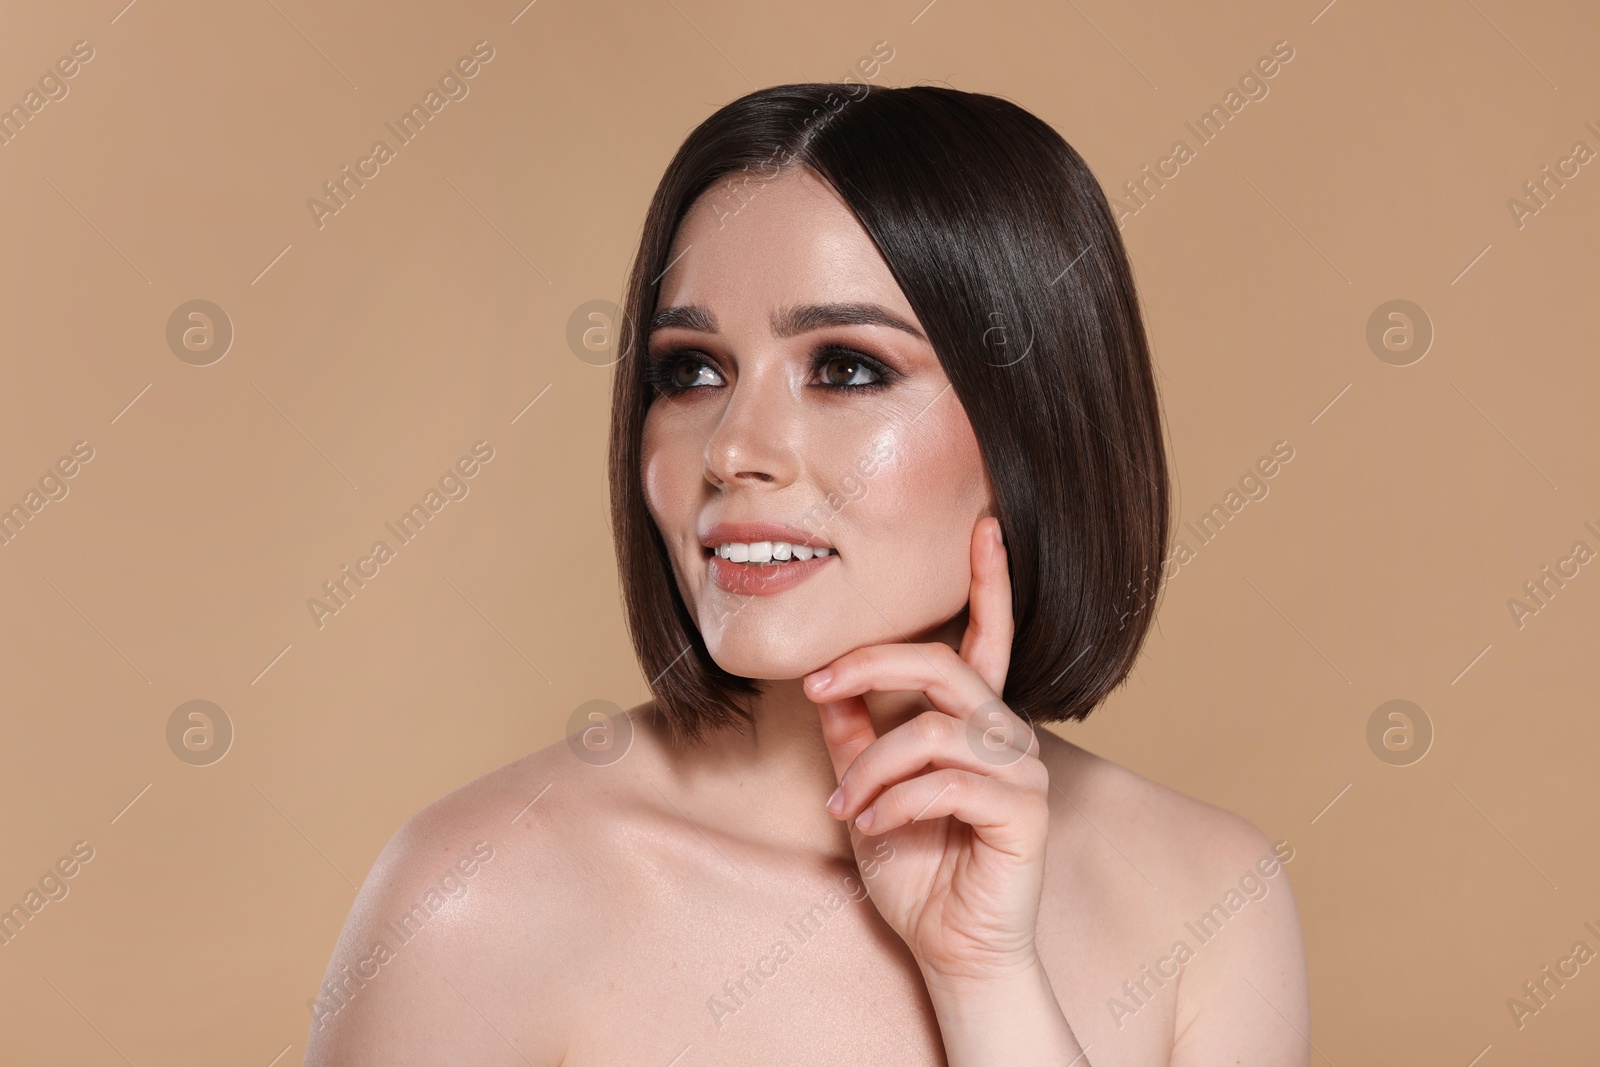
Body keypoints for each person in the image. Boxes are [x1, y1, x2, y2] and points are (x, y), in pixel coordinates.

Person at [305, 82, 1308, 1066]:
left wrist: (985, 979)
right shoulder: (476, 898)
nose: (733, 446)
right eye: (690, 369)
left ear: (1031, 429)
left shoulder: (1209, 897)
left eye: (846, 368)